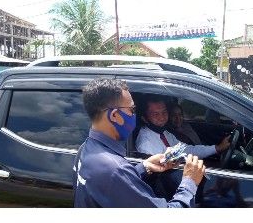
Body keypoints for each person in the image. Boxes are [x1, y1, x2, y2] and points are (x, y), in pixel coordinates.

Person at [73, 78, 205, 207]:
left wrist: (144, 167)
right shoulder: (115, 169)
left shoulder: (85, 149)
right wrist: (190, 182)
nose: (134, 115)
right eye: (132, 110)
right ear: (115, 116)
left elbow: (112, 186)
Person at [136, 97, 230, 158]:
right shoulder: (146, 144)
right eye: (155, 114)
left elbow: (187, 150)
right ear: (145, 118)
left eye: (164, 112)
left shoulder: (165, 133)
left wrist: (217, 148)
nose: (162, 117)